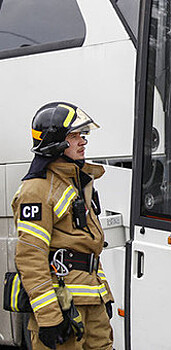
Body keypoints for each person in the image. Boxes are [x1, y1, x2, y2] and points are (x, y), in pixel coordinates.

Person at [11, 102, 114, 349]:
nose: (83, 142)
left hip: (92, 303)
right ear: (54, 140)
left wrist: (104, 295)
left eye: (82, 135)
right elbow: (30, 258)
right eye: (73, 135)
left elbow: (90, 248)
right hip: (63, 307)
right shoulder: (37, 189)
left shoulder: (77, 183)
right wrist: (48, 318)